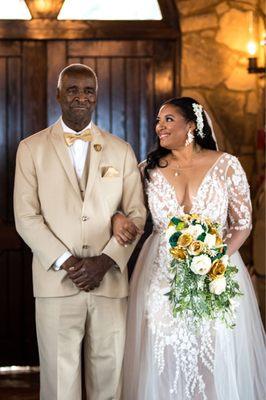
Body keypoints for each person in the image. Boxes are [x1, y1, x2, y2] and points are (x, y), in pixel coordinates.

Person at [112, 97, 266, 400]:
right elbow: (126, 209)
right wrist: (117, 217)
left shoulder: (226, 165)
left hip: (217, 272)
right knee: (163, 350)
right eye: (158, 120)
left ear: (191, 125)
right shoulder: (148, 169)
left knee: (214, 348)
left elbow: (242, 223)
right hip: (161, 275)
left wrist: (214, 260)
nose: (159, 127)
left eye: (168, 119)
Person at [13, 63, 146, 400]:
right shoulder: (31, 149)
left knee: (110, 377)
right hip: (56, 282)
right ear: (58, 95)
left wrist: (105, 261)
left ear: (96, 97)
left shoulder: (121, 150)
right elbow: (26, 217)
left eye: (88, 90)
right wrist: (69, 263)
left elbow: (137, 214)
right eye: (72, 89)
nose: (80, 97)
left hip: (110, 282)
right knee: (59, 381)